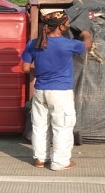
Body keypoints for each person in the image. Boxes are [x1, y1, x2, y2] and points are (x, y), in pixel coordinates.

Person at [21, 11, 92, 170]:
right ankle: (59, 162)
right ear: (60, 26)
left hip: (40, 91)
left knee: (39, 126)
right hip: (60, 92)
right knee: (62, 126)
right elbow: (87, 45)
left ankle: (40, 159)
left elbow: (25, 68)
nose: (68, 25)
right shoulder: (68, 44)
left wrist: (41, 70)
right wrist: (86, 34)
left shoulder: (33, 43)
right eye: (66, 23)